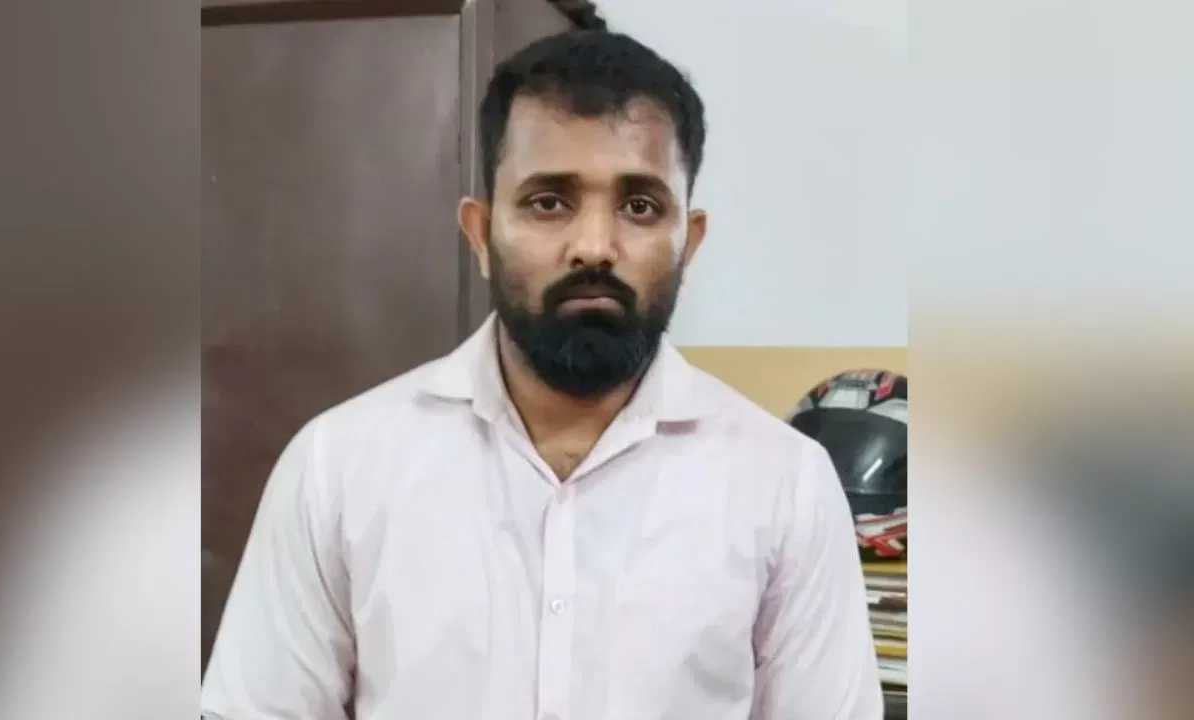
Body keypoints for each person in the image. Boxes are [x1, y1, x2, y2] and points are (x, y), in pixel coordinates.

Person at [201, 29, 882, 720]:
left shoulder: (785, 486)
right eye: (549, 202)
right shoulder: (338, 468)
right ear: (480, 234)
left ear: (690, 241)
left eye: (640, 206)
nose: (594, 246)